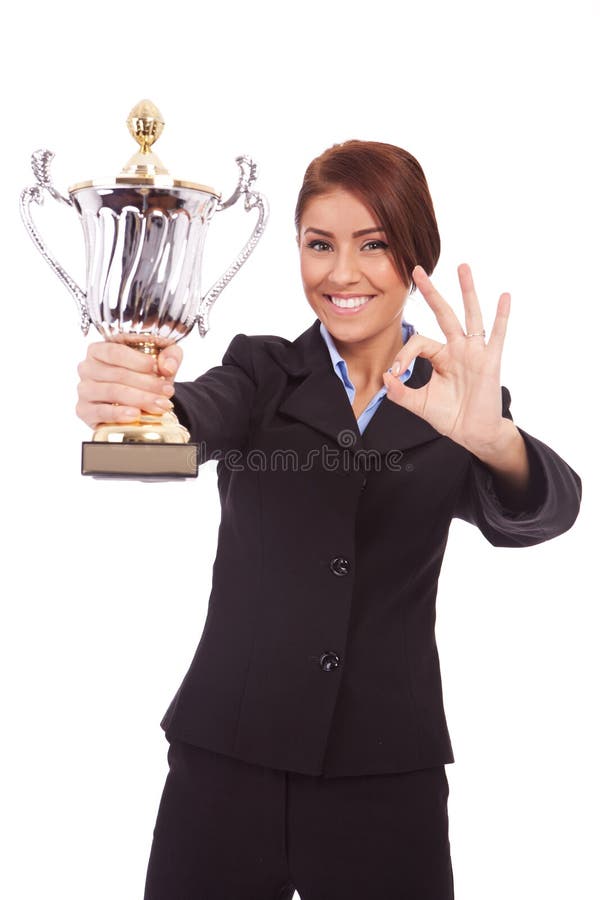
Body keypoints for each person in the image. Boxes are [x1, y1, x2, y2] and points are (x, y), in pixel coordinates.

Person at [76, 140, 582, 900]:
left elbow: (540, 514)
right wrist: (138, 405)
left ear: (416, 255)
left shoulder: (455, 397)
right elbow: (192, 423)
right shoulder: (261, 370)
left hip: (386, 773)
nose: (341, 274)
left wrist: (494, 439)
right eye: (320, 244)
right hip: (227, 761)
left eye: (372, 245)